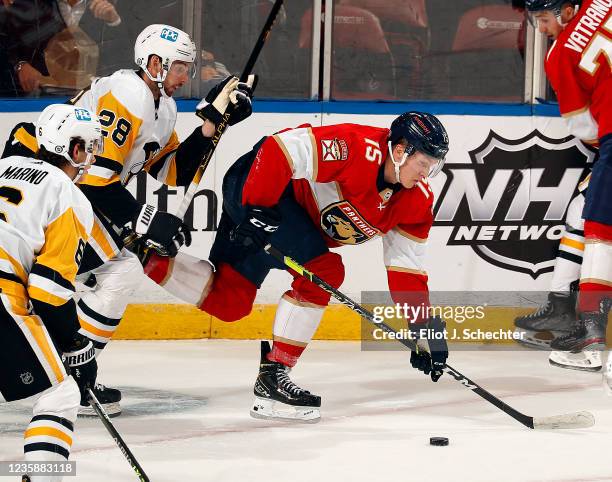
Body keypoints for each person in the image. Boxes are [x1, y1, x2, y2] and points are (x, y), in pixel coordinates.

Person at [2, 23, 255, 417]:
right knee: (115, 272)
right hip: (52, 186)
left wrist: (210, 128)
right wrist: (149, 222)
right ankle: (72, 371)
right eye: (179, 67)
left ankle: (64, 361)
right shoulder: (127, 93)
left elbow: (168, 171)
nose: (186, 75)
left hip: (54, 189)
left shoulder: (163, 107)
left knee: (108, 272)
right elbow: (98, 180)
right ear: (154, 63)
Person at [145, 112, 451, 422]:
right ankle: (275, 375)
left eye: (432, 166)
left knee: (229, 301)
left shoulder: (416, 202)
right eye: (423, 164)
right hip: (259, 186)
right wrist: (258, 207)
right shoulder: (354, 147)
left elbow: (406, 269)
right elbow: (279, 149)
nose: (425, 174)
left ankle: (144, 253)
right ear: (400, 151)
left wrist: (422, 327)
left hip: (284, 221)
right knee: (326, 271)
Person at [0, 104, 102, 481]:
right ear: (73, 149)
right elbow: (47, 290)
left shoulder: (3, 166)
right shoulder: (68, 194)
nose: (90, 158)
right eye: (89, 147)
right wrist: (78, 347)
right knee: (60, 395)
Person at [525, 0, 611, 374]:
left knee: (599, 232)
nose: (541, 29)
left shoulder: (559, 55)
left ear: (567, 10)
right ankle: (561, 305)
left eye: (544, 19)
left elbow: (582, 126)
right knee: (582, 211)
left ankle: (592, 339)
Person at [2, 0, 123, 95]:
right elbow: (8, 40)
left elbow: (128, 48)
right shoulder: (31, 3)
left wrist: (114, 21)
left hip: (98, 92)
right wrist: (20, 64)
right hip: (44, 95)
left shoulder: (111, 4)